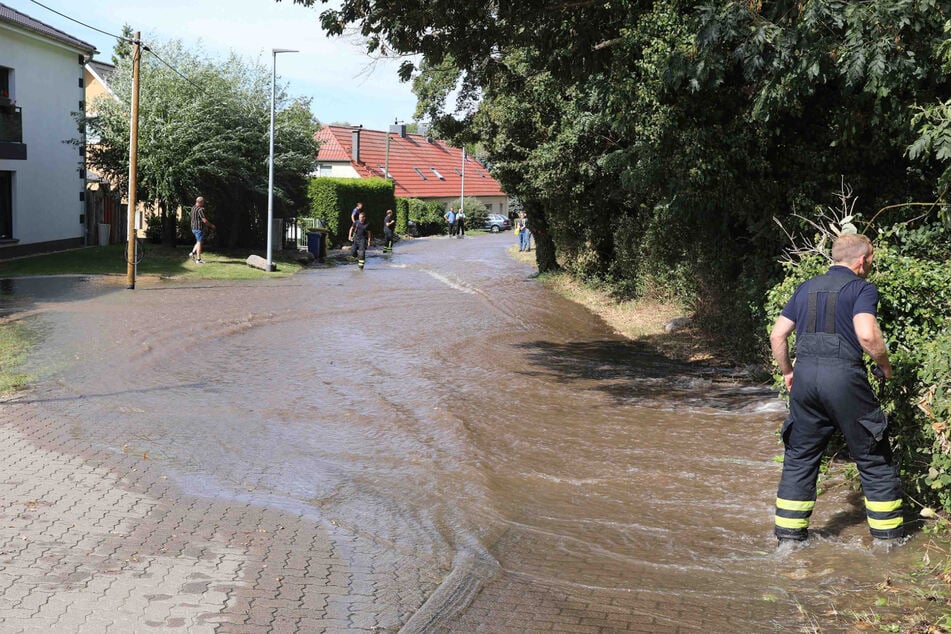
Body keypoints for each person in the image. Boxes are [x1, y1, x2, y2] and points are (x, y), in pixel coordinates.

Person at [769, 233, 903, 544]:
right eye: (870, 260)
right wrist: (884, 365)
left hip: (804, 380)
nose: (870, 265)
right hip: (844, 379)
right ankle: (888, 544)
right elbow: (867, 335)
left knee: (800, 458)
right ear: (861, 261)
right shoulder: (862, 288)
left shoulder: (805, 288)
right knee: (873, 455)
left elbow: (777, 336)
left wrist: (788, 372)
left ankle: (789, 541)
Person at [188, 196, 215, 264]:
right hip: (198, 228)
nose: (203, 204)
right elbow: (204, 220)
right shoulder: (200, 209)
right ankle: (198, 259)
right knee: (199, 243)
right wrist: (211, 225)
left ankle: (192, 253)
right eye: (203, 202)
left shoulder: (193, 208)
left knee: (198, 241)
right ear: (200, 202)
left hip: (193, 228)